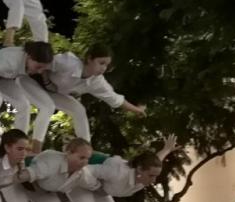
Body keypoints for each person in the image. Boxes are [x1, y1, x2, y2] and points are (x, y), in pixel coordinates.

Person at [19, 44, 147, 147]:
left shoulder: (97, 82)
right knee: (48, 107)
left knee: (79, 110)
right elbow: (42, 61)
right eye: (101, 63)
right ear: (89, 59)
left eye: (106, 65)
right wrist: (45, 78)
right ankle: (35, 146)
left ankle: (85, 149)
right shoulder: (69, 62)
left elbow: (115, 99)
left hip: (53, 92)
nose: (103, 68)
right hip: (32, 81)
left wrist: (137, 110)